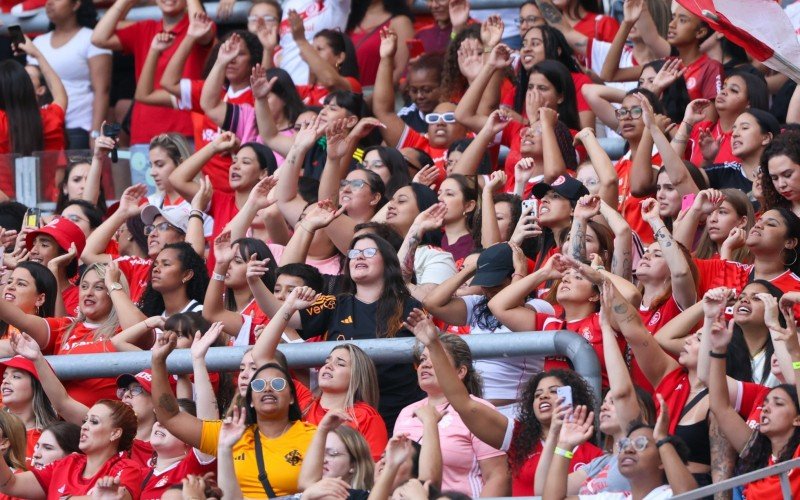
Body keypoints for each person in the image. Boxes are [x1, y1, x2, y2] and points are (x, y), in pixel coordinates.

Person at [405, 309, 602, 496]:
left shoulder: (596, 457)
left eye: (553, 392)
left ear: (574, 398)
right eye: (537, 394)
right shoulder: (520, 440)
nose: (543, 397)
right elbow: (464, 404)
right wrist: (433, 345)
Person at [248, 234, 425, 430]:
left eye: (368, 252)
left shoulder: (409, 306)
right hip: (344, 415)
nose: (359, 257)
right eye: (354, 253)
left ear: (388, 261)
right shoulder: (334, 303)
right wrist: (255, 283)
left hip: (400, 412)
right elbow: (280, 313)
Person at [150, 333, 317, 498]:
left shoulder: (314, 436)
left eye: (277, 383)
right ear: (250, 399)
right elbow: (170, 418)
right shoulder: (230, 434)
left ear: (292, 396)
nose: (267, 388)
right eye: (258, 384)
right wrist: (158, 362)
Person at [250, 288, 388, 459]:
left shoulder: (367, 417)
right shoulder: (302, 401)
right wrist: (289, 306)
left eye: (340, 363)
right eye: (327, 361)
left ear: (358, 376)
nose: (329, 366)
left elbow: (373, 473)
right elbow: (261, 356)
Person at [705, 288, 800, 498]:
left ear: (798, 419)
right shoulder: (757, 454)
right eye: (767, 403)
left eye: (778, 403)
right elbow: (720, 408)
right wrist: (718, 351)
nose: (765, 407)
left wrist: (793, 352)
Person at [394, 332, 509, 497]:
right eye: (423, 359)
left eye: (434, 358)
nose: (425, 365)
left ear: (460, 371)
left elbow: (497, 476)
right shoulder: (406, 413)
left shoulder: (479, 409)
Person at [0, 263, 125, 406]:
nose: (88, 292)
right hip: (62, 423)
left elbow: (143, 331)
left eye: (99, 287)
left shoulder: (126, 329)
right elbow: (21, 319)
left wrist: (114, 285)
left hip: (107, 423)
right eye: (83, 286)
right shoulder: (66, 326)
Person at [0, 399, 141, 498]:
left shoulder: (128, 468)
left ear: (115, 433)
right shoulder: (68, 463)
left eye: (94, 422)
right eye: (85, 421)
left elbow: (118, 497)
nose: (84, 426)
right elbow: (10, 484)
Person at [31, 0, 110, 149]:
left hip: (79, 127)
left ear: (76, 4)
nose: (49, 3)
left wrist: (95, 133)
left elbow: (102, 90)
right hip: (44, 127)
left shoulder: (92, 38)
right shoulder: (38, 42)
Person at [0, 37, 67, 198]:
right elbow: (61, 96)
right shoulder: (50, 119)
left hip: (5, 209)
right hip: (46, 207)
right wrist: (37, 54)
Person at [0, 355, 57, 467]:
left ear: (37, 386)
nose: (5, 381)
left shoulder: (50, 437)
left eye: (16, 376)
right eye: (4, 377)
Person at [346, 0, 413, 86]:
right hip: (346, 95)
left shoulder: (400, 22)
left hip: (377, 95)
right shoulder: (348, 18)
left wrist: (374, 96)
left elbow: (402, 71)